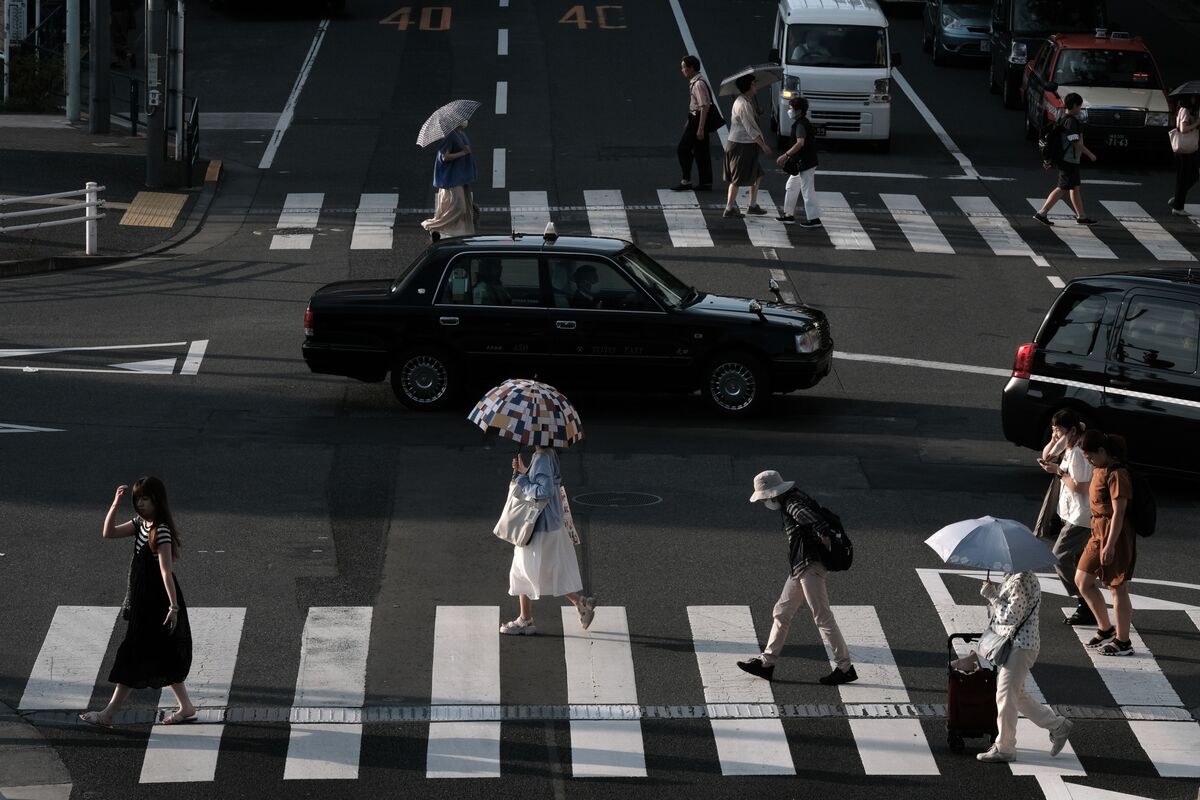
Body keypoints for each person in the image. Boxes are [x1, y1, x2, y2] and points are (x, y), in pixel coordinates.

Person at [80, 477, 195, 728]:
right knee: (163, 653)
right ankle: (186, 707)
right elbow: (108, 533)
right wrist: (114, 504)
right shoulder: (140, 524)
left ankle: (109, 713)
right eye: (138, 499)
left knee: (134, 654)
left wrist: (173, 607)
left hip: (157, 602)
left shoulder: (160, 531)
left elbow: (166, 571)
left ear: (157, 500)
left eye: (146, 498)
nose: (141, 503)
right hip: (144, 599)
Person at [736, 470, 857, 685]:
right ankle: (766, 663)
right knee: (782, 612)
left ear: (772, 494)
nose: (765, 501)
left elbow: (810, 519)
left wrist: (822, 534)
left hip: (809, 565)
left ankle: (845, 667)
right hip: (801, 566)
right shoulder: (797, 497)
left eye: (764, 497)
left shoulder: (792, 503)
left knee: (822, 617)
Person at [975, 571, 1074, 763]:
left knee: (1004, 695)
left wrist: (992, 595)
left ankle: (1005, 747)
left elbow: (1010, 616)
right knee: (1016, 695)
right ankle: (1058, 726)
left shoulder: (1019, 579)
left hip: (1020, 646)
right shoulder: (1017, 576)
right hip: (1021, 645)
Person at [500, 446, 598, 635]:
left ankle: (525, 620)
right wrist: (525, 471)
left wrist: (521, 479)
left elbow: (544, 491)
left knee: (522, 570)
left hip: (539, 525)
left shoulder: (542, 457)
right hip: (551, 523)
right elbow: (544, 481)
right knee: (549, 570)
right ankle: (581, 603)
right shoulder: (548, 454)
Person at [1076, 430, 1137, 656]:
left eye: (1091, 457)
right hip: (1097, 532)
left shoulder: (1117, 473)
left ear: (1103, 451)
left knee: (1117, 587)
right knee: (1082, 580)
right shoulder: (1100, 469)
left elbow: (1119, 513)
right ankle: (1105, 628)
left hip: (1115, 535)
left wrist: (1110, 545)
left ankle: (1123, 642)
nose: (1089, 461)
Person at [1038, 409, 1095, 626]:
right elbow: (1046, 456)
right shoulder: (1069, 447)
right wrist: (1054, 441)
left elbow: (1081, 487)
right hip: (1070, 513)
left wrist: (1058, 472)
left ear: (1072, 430)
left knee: (1059, 556)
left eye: (1059, 430)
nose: (1055, 434)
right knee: (1079, 562)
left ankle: (1084, 602)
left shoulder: (1080, 454)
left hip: (1081, 517)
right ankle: (1088, 604)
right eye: (1053, 430)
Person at [1034, 93, 1098, 227]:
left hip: (1070, 159)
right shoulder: (1071, 121)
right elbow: (1075, 142)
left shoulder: (1064, 118)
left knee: (1075, 188)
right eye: (1080, 106)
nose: (1080, 109)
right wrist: (1089, 154)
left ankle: (1082, 216)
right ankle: (1042, 213)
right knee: (1062, 187)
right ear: (1074, 106)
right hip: (1068, 159)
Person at [722, 75, 773, 219]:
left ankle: (752, 205)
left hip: (746, 145)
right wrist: (763, 145)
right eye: (754, 84)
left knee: (758, 174)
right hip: (741, 146)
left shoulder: (747, 101)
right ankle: (729, 208)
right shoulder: (743, 104)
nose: (756, 86)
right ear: (749, 87)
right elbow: (750, 129)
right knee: (736, 179)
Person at [421, 124, 477, 242]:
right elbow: (444, 157)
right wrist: (463, 153)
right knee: (460, 207)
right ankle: (432, 225)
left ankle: (452, 233)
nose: (465, 121)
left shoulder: (460, 133)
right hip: (452, 178)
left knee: (455, 207)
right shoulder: (450, 136)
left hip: (461, 176)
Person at [775, 96, 822, 228]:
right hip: (803, 162)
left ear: (799, 111)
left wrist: (786, 155)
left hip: (806, 162)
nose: (788, 110)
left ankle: (814, 219)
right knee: (791, 186)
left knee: (807, 190)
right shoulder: (801, 122)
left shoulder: (801, 124)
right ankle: (788, 215)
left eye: (790, 108)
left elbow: (800, 143)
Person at [672, 55, 715, 192]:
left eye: (684, 67)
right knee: (701, 152)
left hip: (698, 121)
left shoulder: (698, 84)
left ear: (691, 68)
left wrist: (700, 128)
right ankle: (706, 182)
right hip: (695, 118)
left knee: (683, 149)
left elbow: (703, 106)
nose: (682, 70)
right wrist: (689, 119)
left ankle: (686, 180)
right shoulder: (697, 81)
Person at [1170, 95, 1199, 216]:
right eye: (1193, 97)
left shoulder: (1184, 110)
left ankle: (1177, 199)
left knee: (1192, 176)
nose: (1195, 99)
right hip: (1184, 150)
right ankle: (1178, 207)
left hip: (1185, 149)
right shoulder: (1185, 110)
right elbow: (1183, 129)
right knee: (1185, 178)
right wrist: (1197, 123)